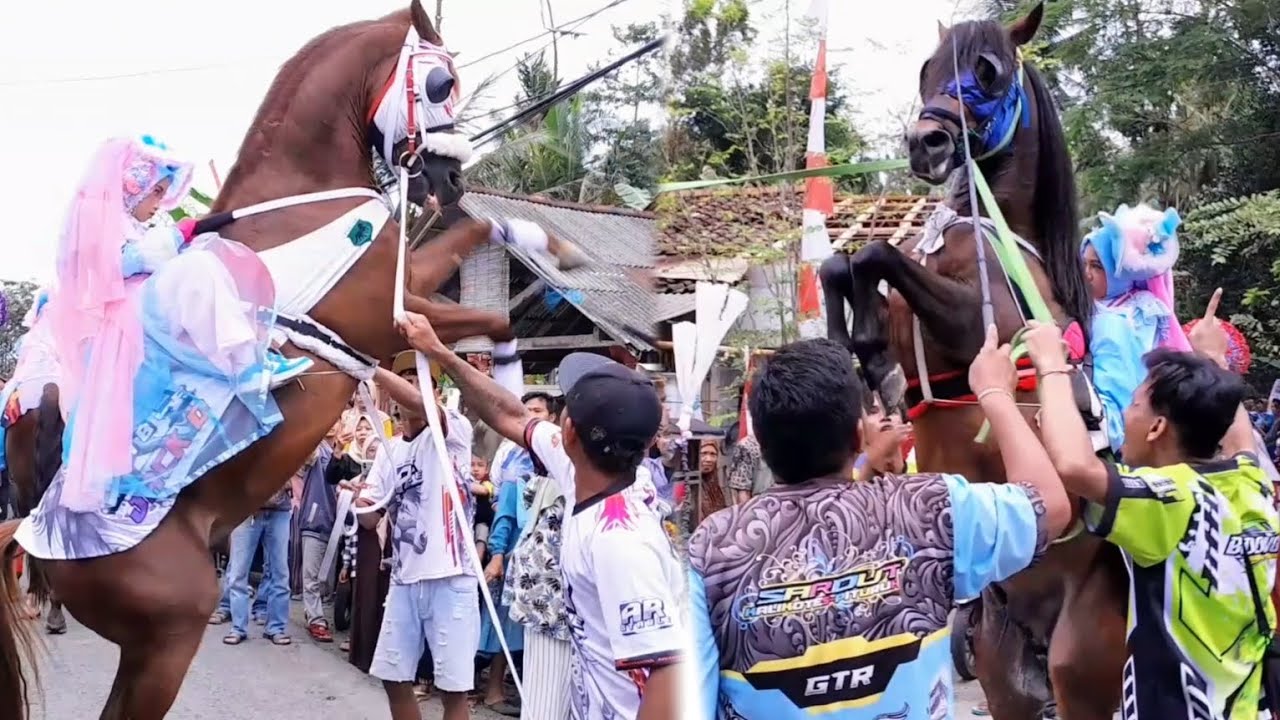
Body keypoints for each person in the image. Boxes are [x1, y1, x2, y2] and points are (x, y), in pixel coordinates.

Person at [687, 333, 1073, 719]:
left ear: (763, 444)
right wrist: (995, 394)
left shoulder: (713, 548)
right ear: (858, 434)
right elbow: (1049, 506)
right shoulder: (930, 509)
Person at [396, 312, 684, 720]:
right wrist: (437, 351)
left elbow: (667, 676)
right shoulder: (584, 469)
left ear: (567, 430)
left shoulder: (621, 539)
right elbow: (509, 415)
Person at [1020, 288, 1278, 719]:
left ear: (1158, 427)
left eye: (1134, 404)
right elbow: (1239, 436)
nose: (1125, 414)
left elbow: (1075, 468)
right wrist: (1211, 359)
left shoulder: (1168, 498)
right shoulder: (1250, 483)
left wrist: (1050, 368)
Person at [356, 358, 479, 720]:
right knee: (393, 678)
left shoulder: (453, 431)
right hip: (405, 578)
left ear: (436, 391)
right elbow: (369, 520)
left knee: (453, 689)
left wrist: (368, 367)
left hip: (452, 575)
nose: (404, 389)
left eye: (415, 380)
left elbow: (419, 403)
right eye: (402, 380)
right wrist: (359, 503)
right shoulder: (389, 449)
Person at [1081, 202, 1188, 452]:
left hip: (1105, 436)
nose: (1086, 274)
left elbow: (1118, 393)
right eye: (1083, 264)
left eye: (1097, 266)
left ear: (1120, 270)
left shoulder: (1117, 320)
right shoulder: (1103, 309)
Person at [223, 481, 293, 646]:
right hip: (246, 511)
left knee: (280, 573)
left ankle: (275, 628)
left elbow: (306, 462)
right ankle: (238, 628)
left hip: (279, 510)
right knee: (238, 574)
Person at [297, 420, 343, 642]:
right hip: (316, 520)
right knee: (312, 575)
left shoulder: (346, 451)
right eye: (329, 418)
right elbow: (305, 458)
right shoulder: (316, 449)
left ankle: (321, 614)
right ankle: (315, 619)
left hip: (340, 523)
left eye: (337, 419)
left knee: (328, 579)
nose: (332, 423)